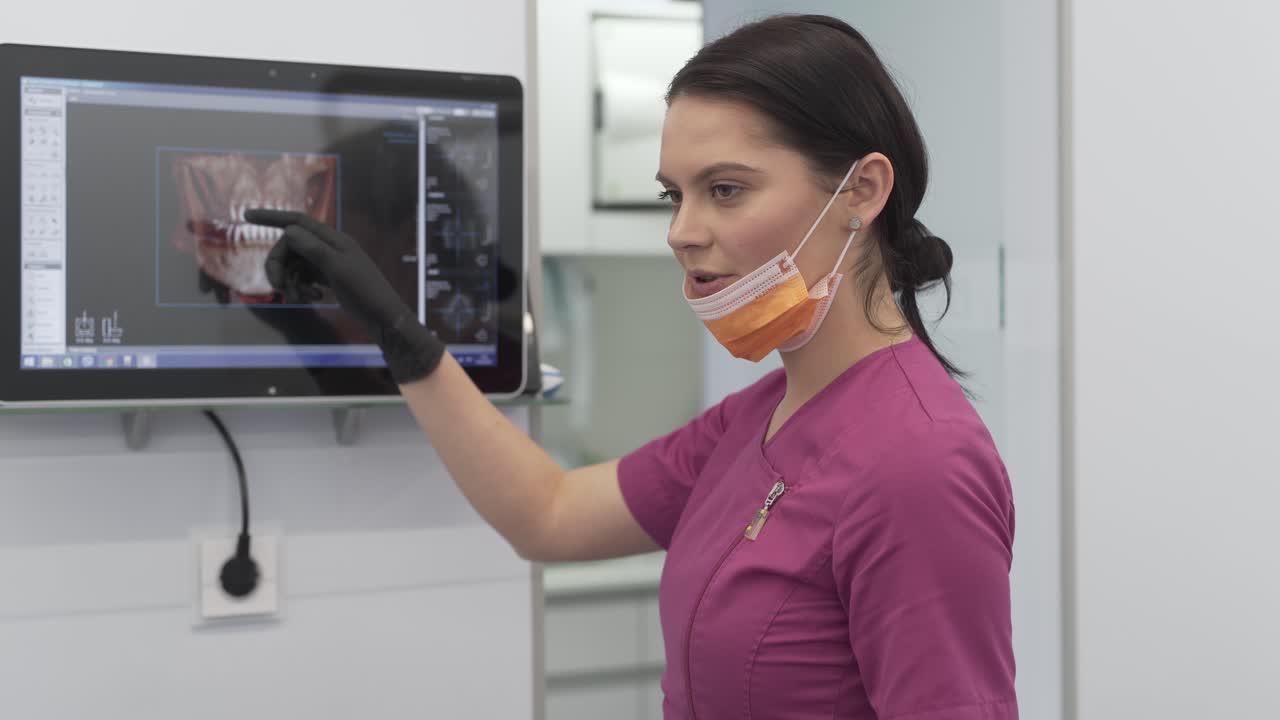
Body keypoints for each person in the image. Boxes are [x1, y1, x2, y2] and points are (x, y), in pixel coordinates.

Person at [245, 13, 1017, 720]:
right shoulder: (759, 418)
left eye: (724, 190)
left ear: (863, 190)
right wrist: (399, 334)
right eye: (672, 196)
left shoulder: (921, 462)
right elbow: (547, 514)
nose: (683, 231)